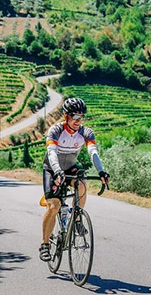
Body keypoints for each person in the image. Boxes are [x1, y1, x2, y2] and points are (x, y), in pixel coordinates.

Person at [39, 98, 109, 262]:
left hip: (70, 166)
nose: (78, 121)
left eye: (81, 117)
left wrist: (101, 171)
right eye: (75, 117)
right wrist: (56, 171)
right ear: (66, 116)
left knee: (83, 183)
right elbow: (51, 153)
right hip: (51, 168)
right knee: (54, 206)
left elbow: (93, 152)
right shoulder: (56, 130)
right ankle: (44, 244)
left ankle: (77, 219)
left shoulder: (86, 132)